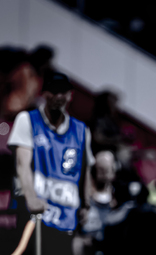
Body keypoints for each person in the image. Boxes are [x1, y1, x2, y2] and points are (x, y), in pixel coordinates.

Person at [7, 72, 95, 255]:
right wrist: (31, 198)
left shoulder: (81, 131)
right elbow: (23, 165)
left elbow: (85, 169)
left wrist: (86, 204)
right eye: (53, 92)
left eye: (63, 92)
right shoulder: (27, 120)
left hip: (66, 217)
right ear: (44, 94)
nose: (58, 97)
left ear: (70, 95)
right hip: (33, 215)